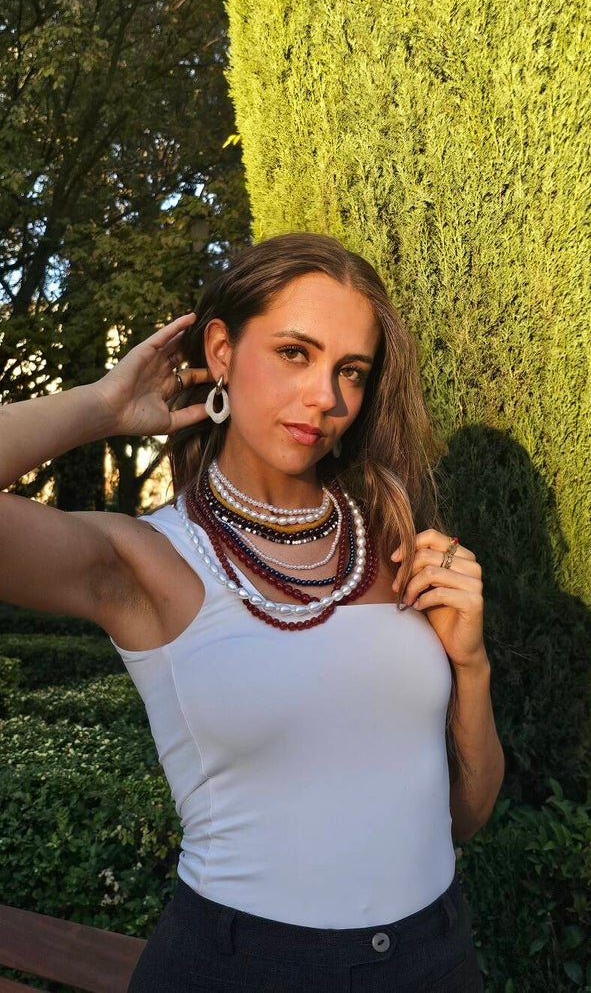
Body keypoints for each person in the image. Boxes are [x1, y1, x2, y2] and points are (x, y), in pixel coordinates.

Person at [0, 232, 504, 992]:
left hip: (436, 960)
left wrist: (471, 664)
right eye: (295, 353)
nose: (326, 398)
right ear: (222, 352)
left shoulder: (393, 538)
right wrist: (101, 407)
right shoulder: (146, 562)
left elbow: (463, 816)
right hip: (242, 968)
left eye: (351, 371)